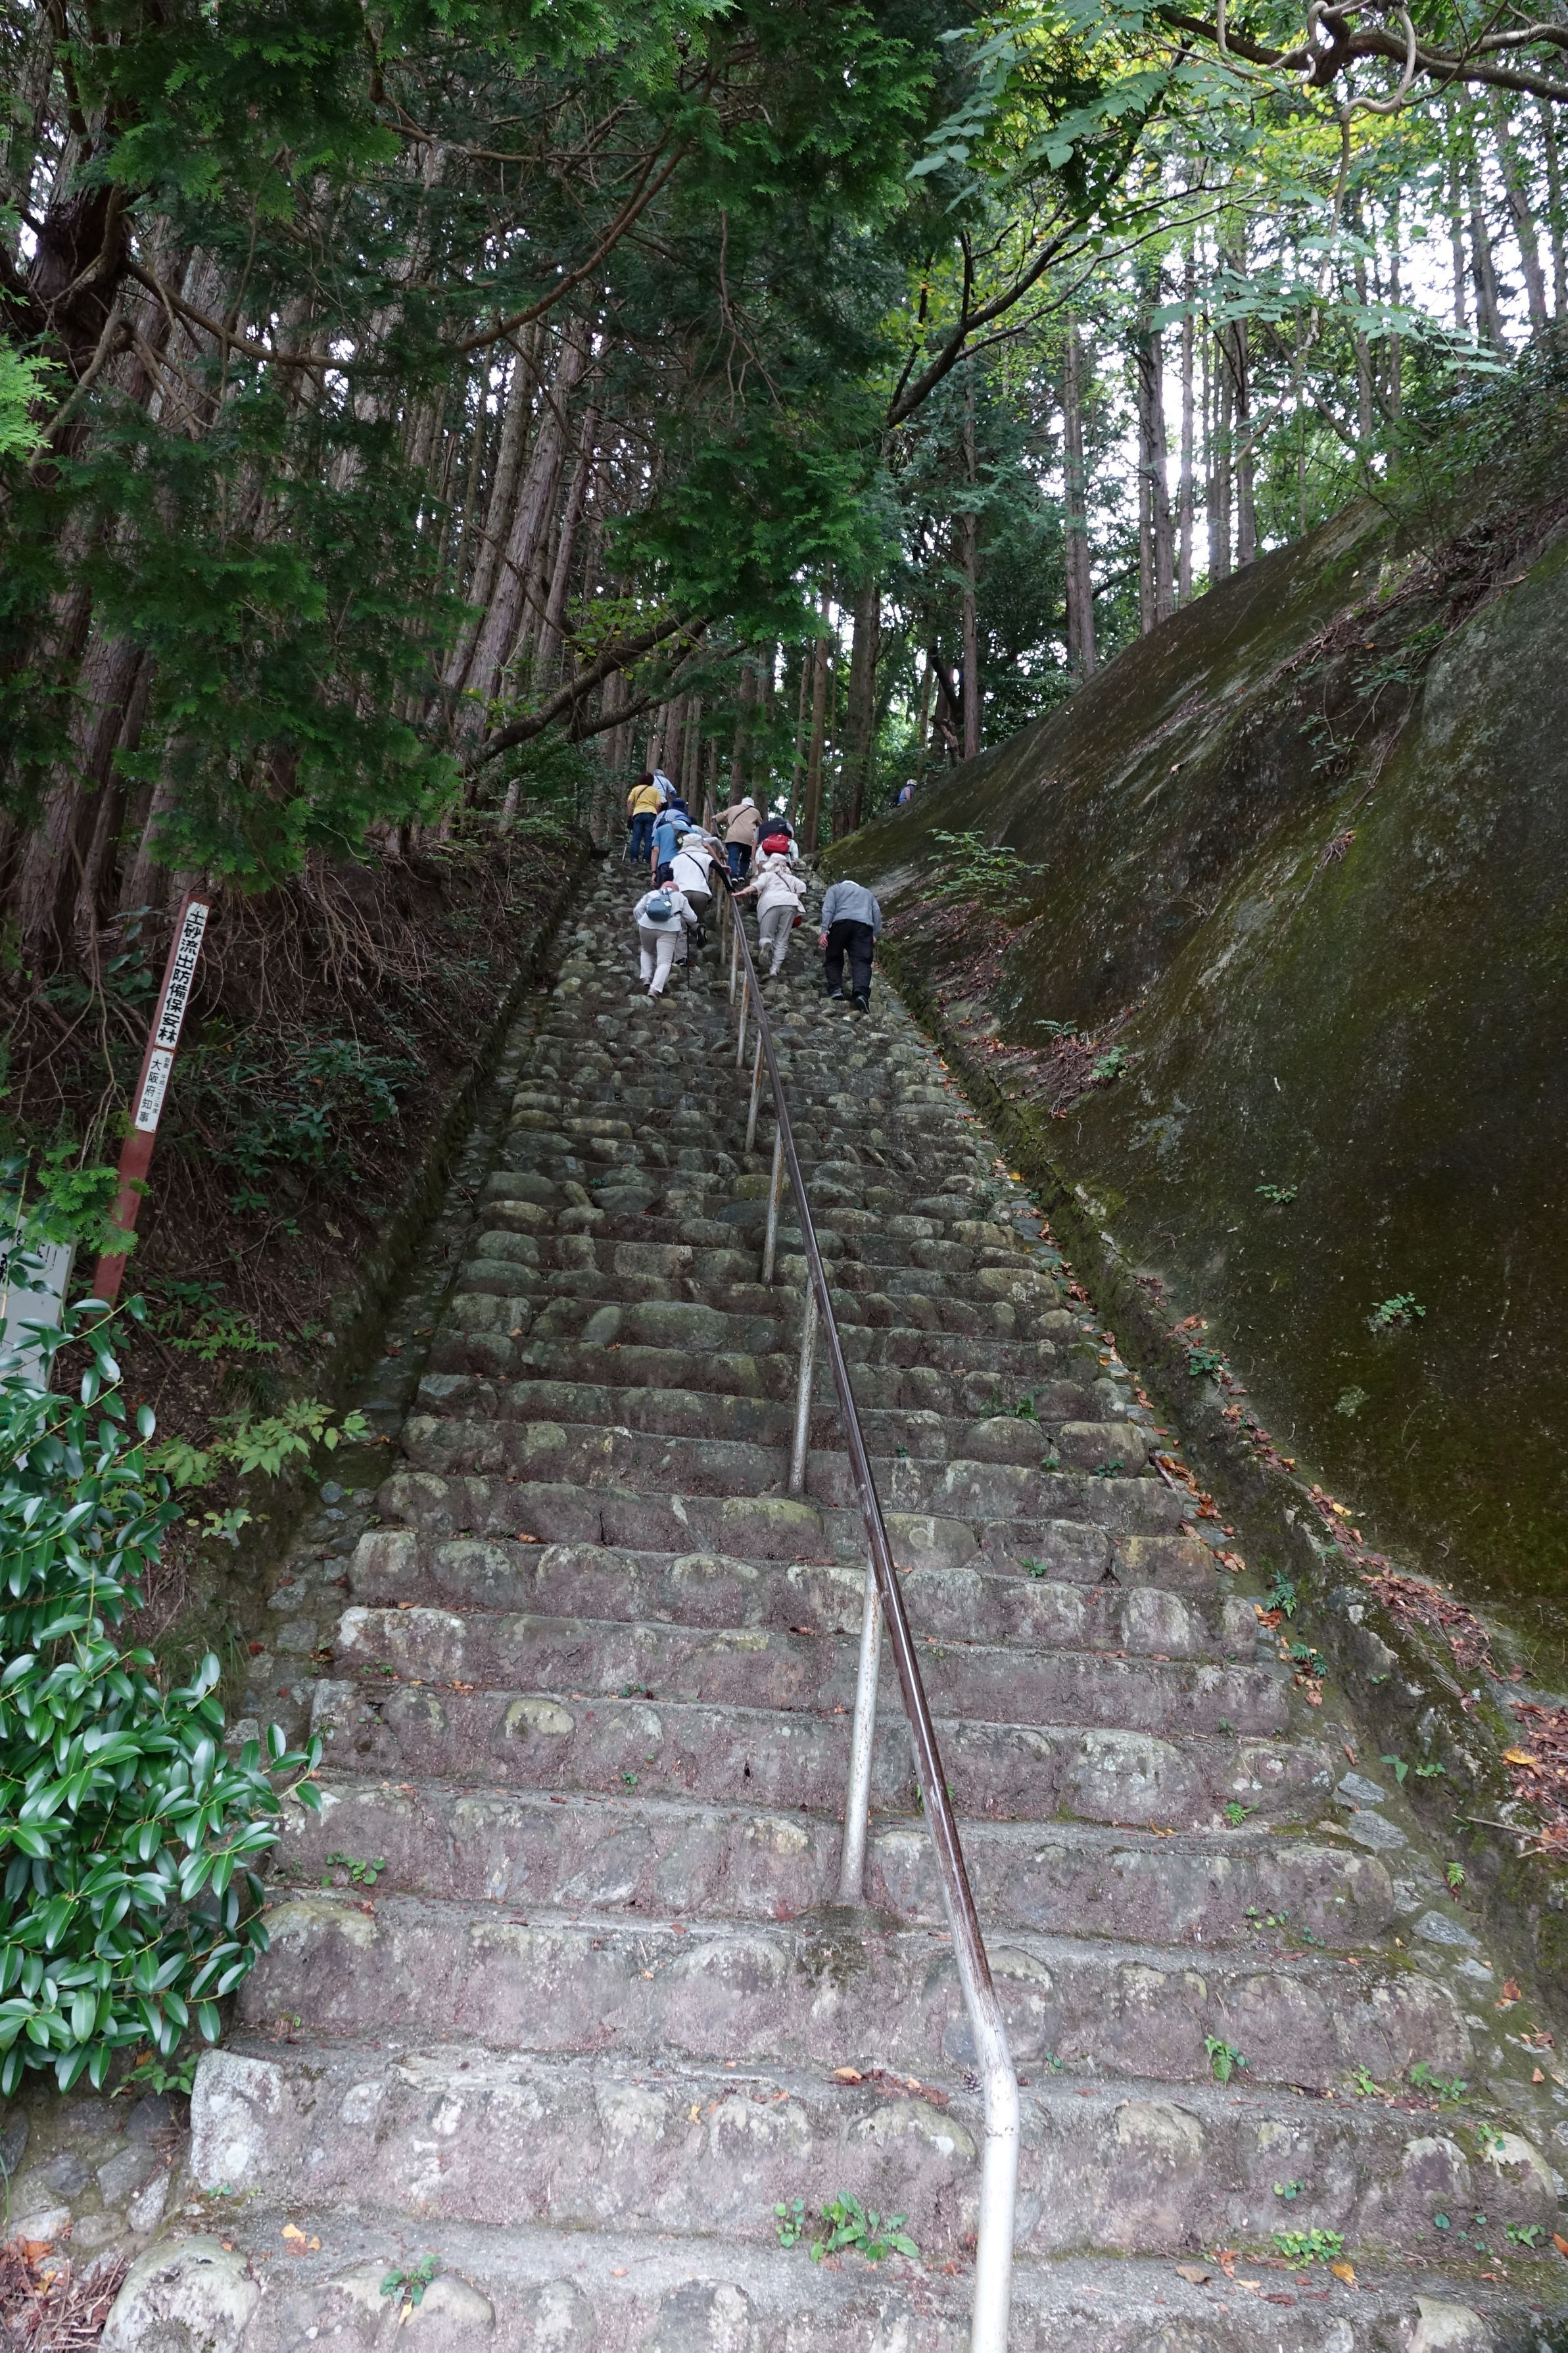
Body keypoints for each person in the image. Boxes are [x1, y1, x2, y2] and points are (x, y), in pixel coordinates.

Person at [734, 854, 806, 980]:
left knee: (767, 934)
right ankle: (775, 969)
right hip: (790, 904)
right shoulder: (792, 878)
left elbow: (757, 886)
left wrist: (744, 892)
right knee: (783, 938)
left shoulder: (767, 876)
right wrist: (795, 897)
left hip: (770, 903)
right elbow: (802, 887)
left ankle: (767, 942)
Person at [632, 863, 698, 996]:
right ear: (676, 890)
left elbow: (637, 910)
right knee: (664, 961)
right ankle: (654, 989)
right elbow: (692, 918)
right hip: (669, 929)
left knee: (647, 951)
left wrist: (641, 922)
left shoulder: (652, 894)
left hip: (647, 925)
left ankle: (646, 977)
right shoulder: (680, 897)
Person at [819, 876, 882, 1013]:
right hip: (863, 926)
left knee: (834, 957)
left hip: (840, 924)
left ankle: (836, 989)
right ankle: (861, 994)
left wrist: (825, 930)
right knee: (862, 962)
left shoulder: (836, 889)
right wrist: (875, 934)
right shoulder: (868, 893)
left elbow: (828, 909)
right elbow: (877, 913)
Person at [670, 833, 717, 934]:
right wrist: (729, 887)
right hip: (701, 893)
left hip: (682, 893)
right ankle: (699, 932)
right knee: (697, 921)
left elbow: (670, 877)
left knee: (681, 922)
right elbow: (718, 868)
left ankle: (684, 938)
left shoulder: (677, 859)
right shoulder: (705, 857)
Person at [720, 793, 762, 881]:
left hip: (734, 837)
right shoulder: (755, 812)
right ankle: (742, 876)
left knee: (733, 858)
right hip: (749, 838)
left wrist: (714, 818)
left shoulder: (733, 809)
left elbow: (723, 816)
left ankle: (733, 876)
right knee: (746, 859)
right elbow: (760, 825)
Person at [626, 772, 663, 865]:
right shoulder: (655, 791)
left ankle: (634, 859)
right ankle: (646, 859)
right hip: (651, 814)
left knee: (636, 838)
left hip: (638, 813)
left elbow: (630, 801)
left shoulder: (636, 789)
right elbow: (659, 804)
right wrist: (656, 814)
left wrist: (630, 815)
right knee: (649, 839)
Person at [650, 800, 690, 873]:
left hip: (657, 834)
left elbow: (655, 825)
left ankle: (654, 869)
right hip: (670, 838)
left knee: (656, 852)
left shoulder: (663, 813)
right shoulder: (681, 815)